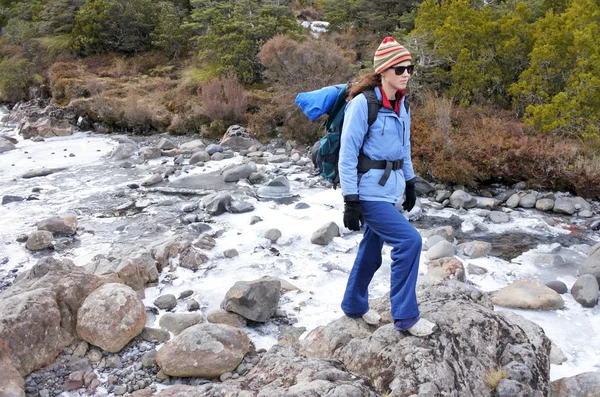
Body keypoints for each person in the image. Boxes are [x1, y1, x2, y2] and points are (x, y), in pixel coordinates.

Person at [338, 37, 437, 337]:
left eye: (409, 68)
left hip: (390, 190)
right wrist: (350, 200)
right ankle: (406, 317)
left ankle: (353, 305)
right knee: (410, 242)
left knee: (371, 247)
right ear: (383, 71)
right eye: (399, 68)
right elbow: (347, 153)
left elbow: (404, 148)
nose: (406, 73)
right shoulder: (362, 104)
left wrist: (409, 183)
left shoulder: (402, 104)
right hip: (368, 193)